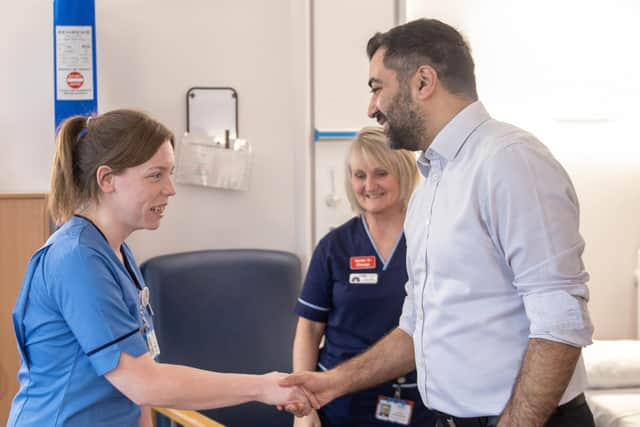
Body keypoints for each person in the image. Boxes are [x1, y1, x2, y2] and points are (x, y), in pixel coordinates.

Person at [282, 19, 596, 427]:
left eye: (378, 88)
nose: (371, 108)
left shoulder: (509, 161)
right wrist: (333, 383)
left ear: (423, 81)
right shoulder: (432, 186)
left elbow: (560, 321)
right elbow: (417, 328)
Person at [7, 109, 309, 427]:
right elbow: (143, 383)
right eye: (156, 175)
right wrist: (263, 387)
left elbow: (142, 386)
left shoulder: (116, 253)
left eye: (170, 173)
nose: (170, 189)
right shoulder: (75, 259)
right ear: (107, 179)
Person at [292, 127, 436, 427]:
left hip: (416, 399)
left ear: (403, 172)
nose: (369, 185)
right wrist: (305, 408)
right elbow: (309, 329)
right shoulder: (335, 247)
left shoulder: (430, 240)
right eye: (359, 175)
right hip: (339, 400)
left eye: (380, 173)